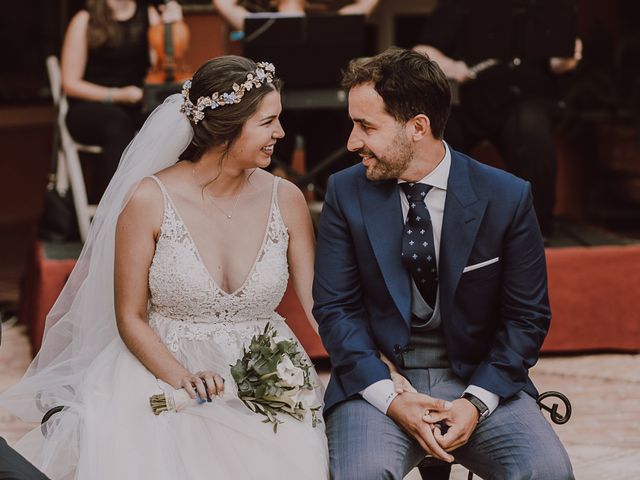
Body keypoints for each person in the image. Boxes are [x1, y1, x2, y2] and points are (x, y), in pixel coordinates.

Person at [0, 56, 328, 479]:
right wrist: (182, 377)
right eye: (269, 122)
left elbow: (322, 307)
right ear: (228, 127)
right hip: (161, 370)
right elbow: (129, 316)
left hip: (267, 374)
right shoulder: (149, 199)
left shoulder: (288, 199)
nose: (280, 133)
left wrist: (372, 369)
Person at [313, 47, 574, 479]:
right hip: (379, 384)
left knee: (548, 472)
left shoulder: (506, 196)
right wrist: (390, 395)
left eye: (366, 126)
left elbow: (526, 319)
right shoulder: (345, 192)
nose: (351, 142)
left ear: (417, 127)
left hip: (479, 381)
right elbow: (336, 309)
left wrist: (475, 402)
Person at [413, 0, 582, 237]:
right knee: (440, 128)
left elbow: (558, 65)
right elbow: (423, 51)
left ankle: (535, 230)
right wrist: (451, 66)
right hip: (469, 100)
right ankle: (432, 227)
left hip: (525, 101)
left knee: (531, 127)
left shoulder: (548, 7)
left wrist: (566, 59)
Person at [214, 0, 379, 194]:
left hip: (324, 107)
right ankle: (276, 191)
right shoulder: (257, 22)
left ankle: (326, 194)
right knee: (271, 131)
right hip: (278, 108)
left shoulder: (333, 23)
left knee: (330, 138)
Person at [61, 0, 183, 202]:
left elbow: (163, 63)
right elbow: (70, 83)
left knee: (171, 119)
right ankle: (112, 207)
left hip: (136, 102)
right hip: (89, 106)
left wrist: (170, 27)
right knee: (117, 123)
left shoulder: (149, 14)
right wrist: (117, 95)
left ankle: (163, 204)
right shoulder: (85, 20)